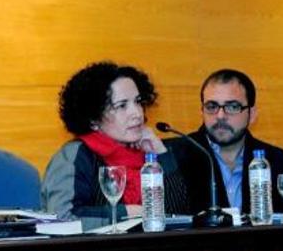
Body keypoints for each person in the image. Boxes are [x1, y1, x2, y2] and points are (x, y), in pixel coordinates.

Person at [42, 61, 190, 227]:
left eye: (138, 101)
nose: (137, 113)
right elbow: (61, 217)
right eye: (122, 106)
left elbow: (178, 215)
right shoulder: (75, 156)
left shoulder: (146, 152)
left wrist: (160, 154)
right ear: (93, 120)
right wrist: (125, 213)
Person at [168, 69, 283, 216]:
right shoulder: (177, 155)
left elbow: (282, 227)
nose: (220, 116)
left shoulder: (275, 159)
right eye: (212, 107)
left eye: (232, 107)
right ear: (202, 112)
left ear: (251, 115)